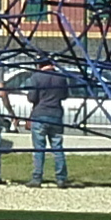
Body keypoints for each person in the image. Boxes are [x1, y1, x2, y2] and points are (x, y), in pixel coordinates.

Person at [19, 57, 70, 186]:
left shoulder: (37, 77)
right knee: (57, 147)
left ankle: (37, 177)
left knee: (39, 148)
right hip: (56, 114)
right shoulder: (61, 78)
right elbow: (64, 95)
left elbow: (32, 97)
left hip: (40, 114)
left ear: (39, 65)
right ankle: (61, 178)